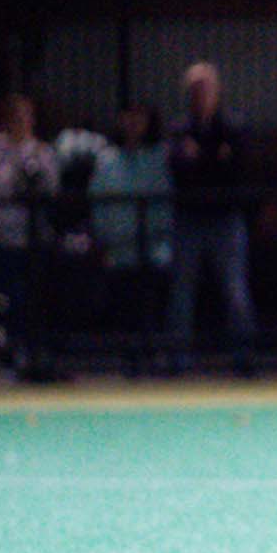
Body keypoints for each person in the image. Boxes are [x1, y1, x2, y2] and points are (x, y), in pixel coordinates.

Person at [167, 63, 257, 376]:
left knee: (235, 290)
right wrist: (212, 158)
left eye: (206, 89)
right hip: (189, 219)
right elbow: (179, 169)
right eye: (195, 91)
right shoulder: (180, 129)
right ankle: (179, 360)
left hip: (225, 218)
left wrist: (203, 159)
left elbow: (236, 168)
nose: (201, 96)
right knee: (182, 292)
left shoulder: (233, 126)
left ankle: (244, 358)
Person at [0, 93, 58, 380]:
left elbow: (51, 188)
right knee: (9, 298)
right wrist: (17, 173)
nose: (22, 122)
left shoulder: (43, 152)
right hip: (1, 238)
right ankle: (10, 355)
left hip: (34, 240)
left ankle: (35, 354)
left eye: (27, 116)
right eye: (16, 116)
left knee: (35, 299)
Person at [89, 104, 173, 376]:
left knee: (152, 305)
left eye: (140, 119)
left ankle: (154, 356)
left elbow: (165, 200)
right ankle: (128, 360)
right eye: (129, 119)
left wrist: (159, 232)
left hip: (153, 247)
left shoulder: (158, 157)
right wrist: (104, 237)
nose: (134, 124)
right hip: (119, 249)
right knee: (123, 306)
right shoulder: (107, 159)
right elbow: (98, 201)